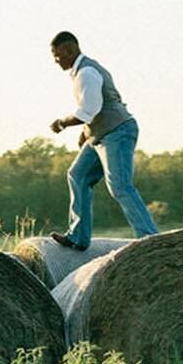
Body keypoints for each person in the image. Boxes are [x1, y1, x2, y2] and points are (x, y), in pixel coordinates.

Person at [47, 31, 158, 249]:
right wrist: (86, 132)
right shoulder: (82, 72)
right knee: (77, 174)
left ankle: (151, 240)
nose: (55, 60)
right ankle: (78, 237)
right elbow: (94, 110)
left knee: (120, 186)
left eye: (57, 55)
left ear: (70, 50)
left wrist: (62, 123)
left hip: (117, 131)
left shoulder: (87, 72)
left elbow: (88, 110)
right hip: (101, 134)